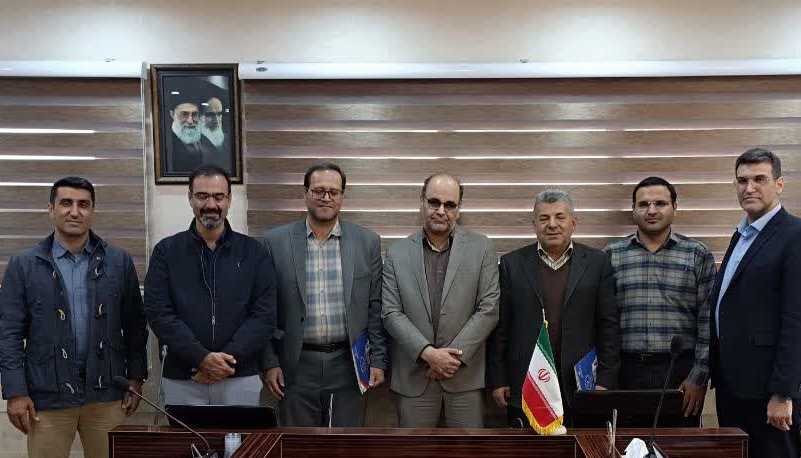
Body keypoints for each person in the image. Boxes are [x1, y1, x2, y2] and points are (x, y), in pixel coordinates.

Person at [0, 176, 148, 458]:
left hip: (106, 392)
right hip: (47, 395)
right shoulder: (25, 264)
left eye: (83, 204)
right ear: (51, 210)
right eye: (66, 203)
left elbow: (135, 326)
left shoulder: (118, 262)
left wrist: (136, 377)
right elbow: (10, 333)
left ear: (93, 211)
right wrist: (16, 392)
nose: (74, 211)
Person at [709, 148, 801, 458]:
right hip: (736, 386)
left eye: (759, 179)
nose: (749, 187)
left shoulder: (799, 236)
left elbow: (800, 322)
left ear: (779, 184)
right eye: (742, 180)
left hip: (769, 392)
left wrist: (783, 393)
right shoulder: (742, 235)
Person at [260, 161, 387, 426]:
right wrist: (269, 362)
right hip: (295, 364)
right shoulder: (275, 242)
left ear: (342, 196)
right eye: (318, 190)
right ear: (305, 193)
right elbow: (264, 309)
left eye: (333, 191)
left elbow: (375, 307)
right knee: (298, 444)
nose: (326, 197)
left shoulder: (367, 242)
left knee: (345, 444)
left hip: (349, 364)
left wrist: (378, 359)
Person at [144, 164, 276, 406]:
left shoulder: (254, 252)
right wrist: (201, 358)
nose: (211, 204)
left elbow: (264, 315)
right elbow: (159, 313)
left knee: (240, 434)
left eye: (218, 197)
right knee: (184, 434)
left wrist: (224, 362)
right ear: (190, 198)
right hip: (184, 376)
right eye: (202, 196)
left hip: (239, 374)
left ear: (229, 200)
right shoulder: (165, 252)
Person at [490, 189, 620, 427]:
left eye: (560, 217)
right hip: (527, 382)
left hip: (581, 384)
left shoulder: (597, 263)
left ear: (573, 222)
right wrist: (499, 378)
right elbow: (501, 327)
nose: (552, 224)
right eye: (544, 218)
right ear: (534, 225)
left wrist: (606, 379)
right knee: (529, 449)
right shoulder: (511, 264)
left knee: (579, 448)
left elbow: (608, 326)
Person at [382, 173, 499, 428]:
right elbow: (391, 313)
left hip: (465, 378)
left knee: (468, 453)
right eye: (434, 202)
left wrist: (449, 360)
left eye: (449, 204)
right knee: (414, 453)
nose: (441, 211)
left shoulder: (482, 248)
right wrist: (428, 354)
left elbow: (489, 309)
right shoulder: (396, 253)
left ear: (459, 208)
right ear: (422, 202)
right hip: (415, 378)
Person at [605, 176, 716, 418]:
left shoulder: (697, 255)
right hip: (625, 371)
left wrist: (698, 377)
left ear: (674, 208)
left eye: (660, 203)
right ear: (633, 210)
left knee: (677, 439)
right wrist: (606, 377)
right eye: (644, 204)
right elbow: (602, 322)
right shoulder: (612, 255)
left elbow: (708, 323)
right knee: (626, 440)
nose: (652, 210)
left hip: (680, 371)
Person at [167, 97, 230, 174]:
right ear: (173, 114)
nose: (190, 121)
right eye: (184, 114)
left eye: (194, 114)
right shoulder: (167, 143)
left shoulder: (203, 138)